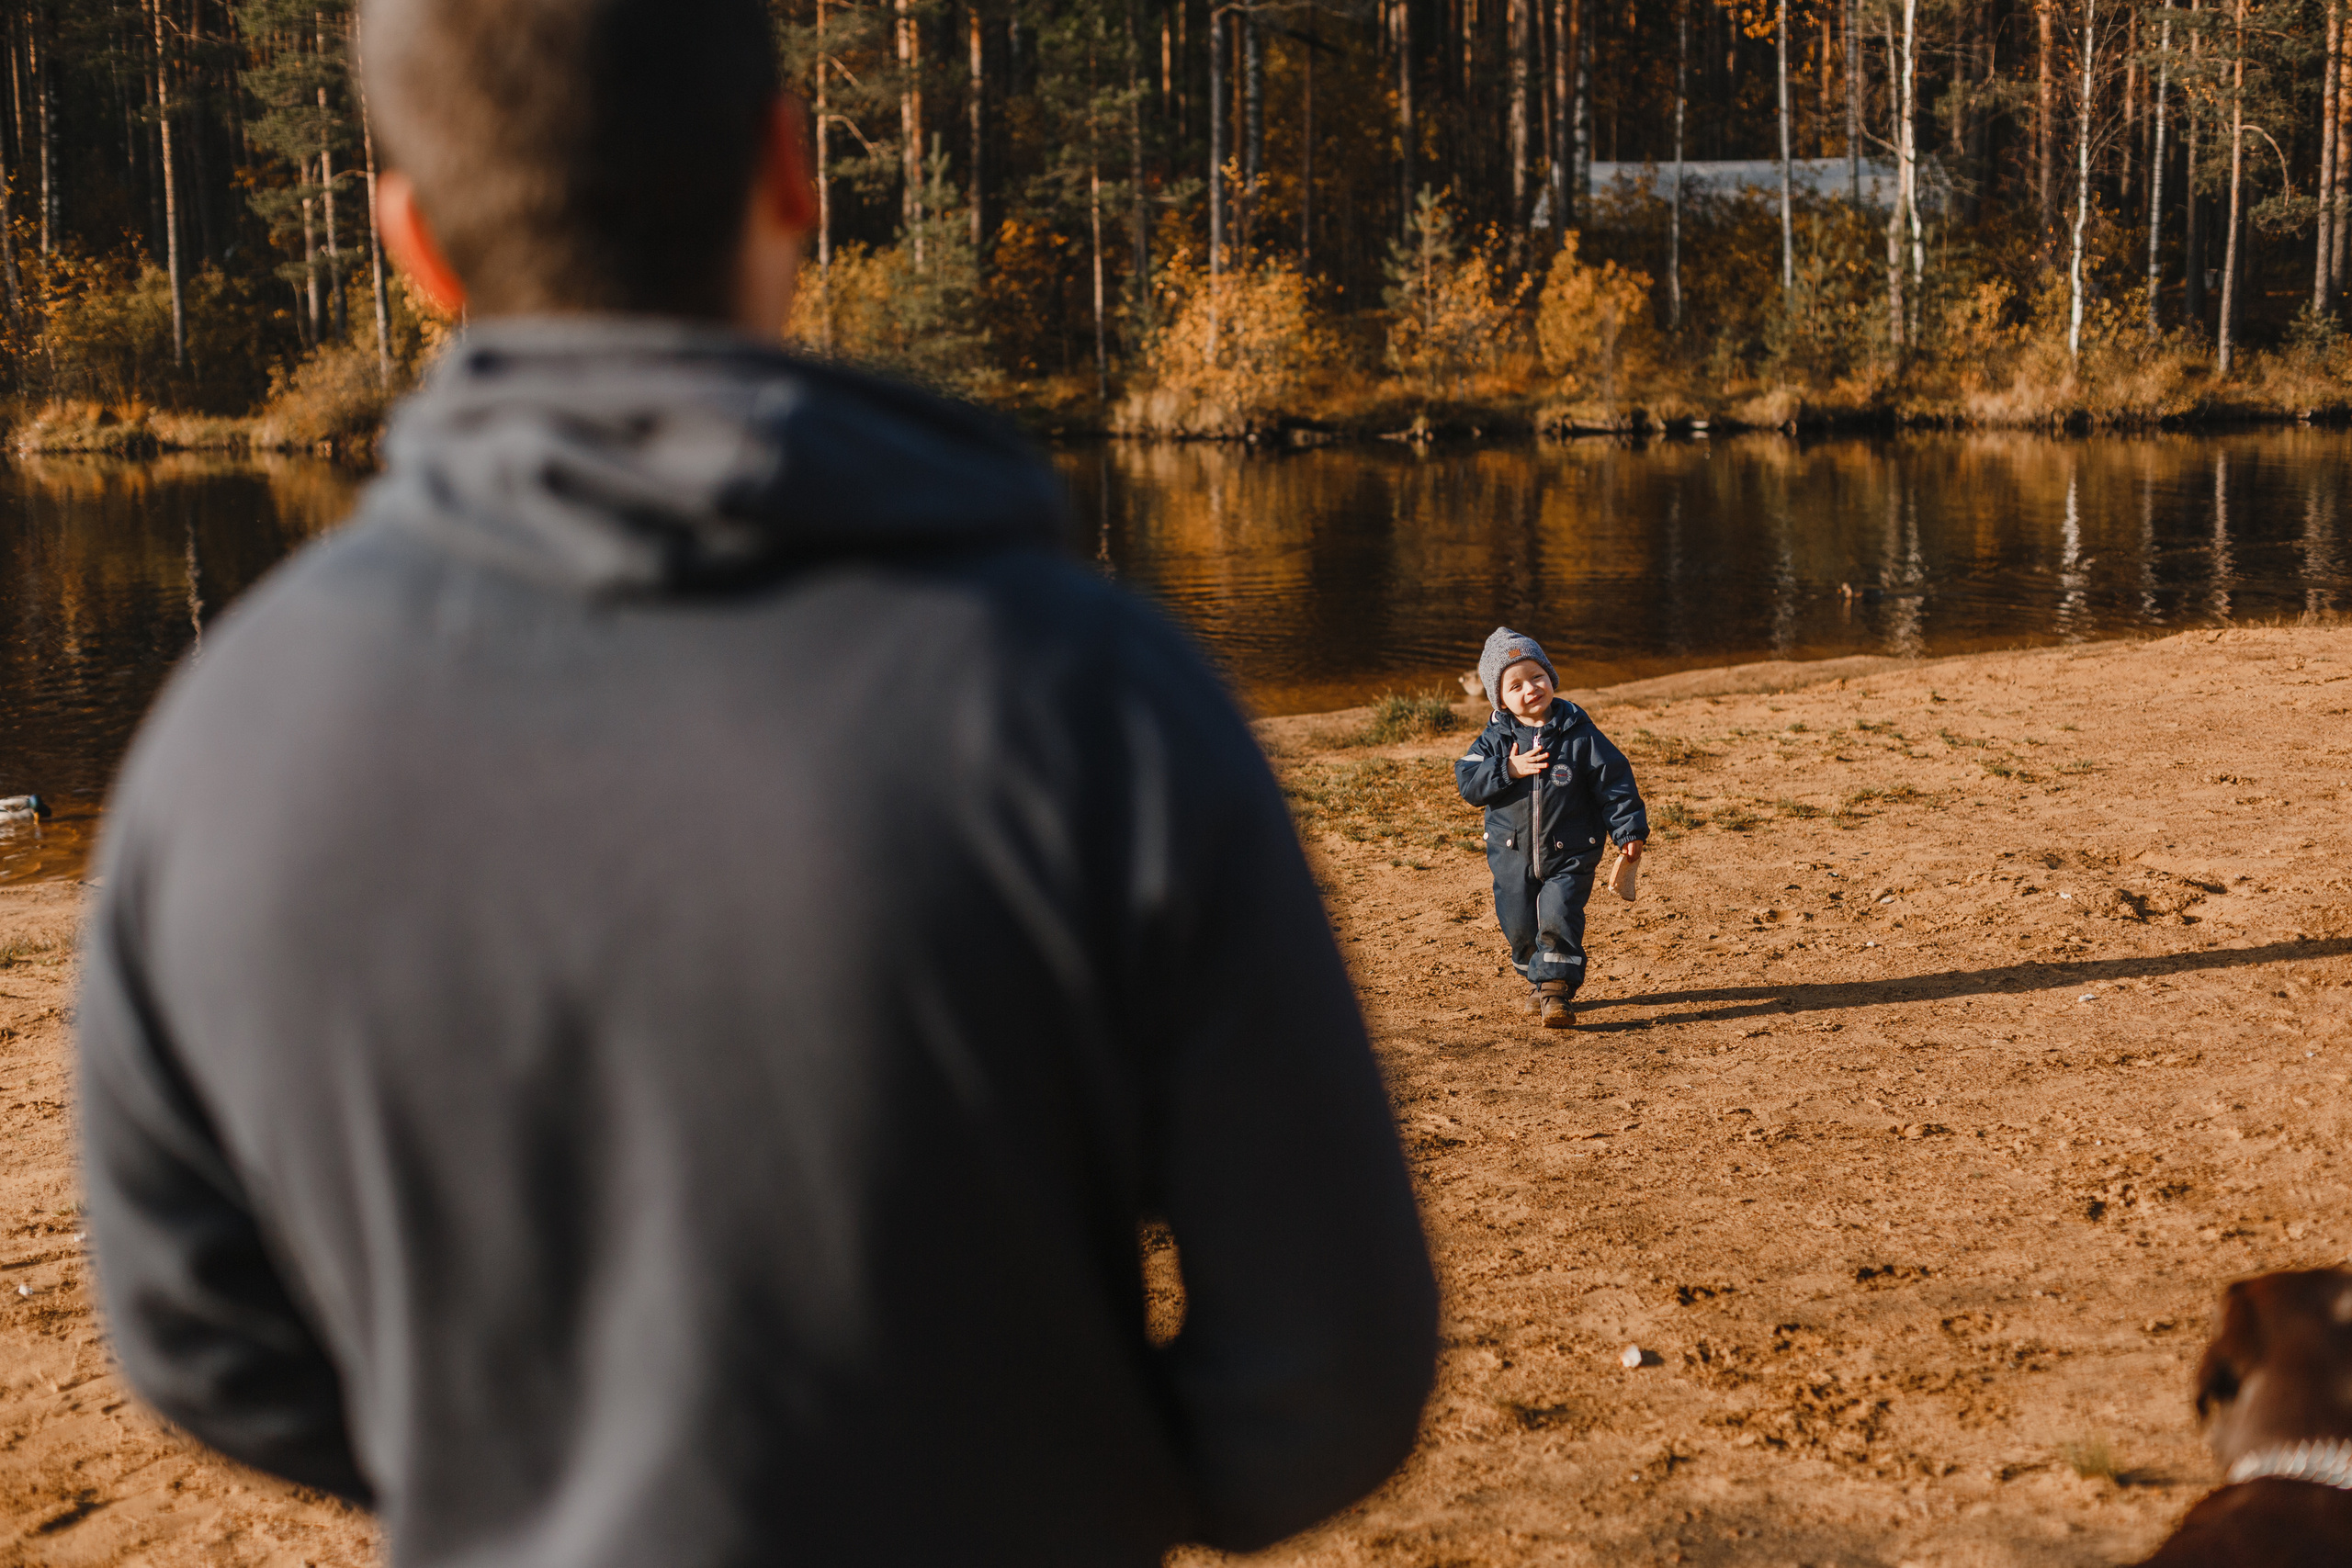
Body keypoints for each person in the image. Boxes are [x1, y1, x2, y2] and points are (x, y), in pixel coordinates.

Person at [74, 3, 1438, 1563]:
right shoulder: (1093, 700)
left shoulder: (224, 742)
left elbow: (194, 1333)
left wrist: (529, 1468)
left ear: (412, 243)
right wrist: (1053, 1486)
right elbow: (1334, 1370)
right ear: (790, 168)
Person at [1455, 626, 1647, 1029]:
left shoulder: (1580, 733)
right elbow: (1467, 782)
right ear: (1500, 700)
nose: (1530, 689)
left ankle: (1556, 990)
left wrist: (1629, 832)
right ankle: (1536, 978)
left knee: (1559, 916)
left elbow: (1615, 783)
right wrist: (1508, 769)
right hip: (1512, 852)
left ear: (1551, 678)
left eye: (1537, 677)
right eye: (1516, 685)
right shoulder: (1495, 739)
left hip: (1572, 849)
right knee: (1519, 923)